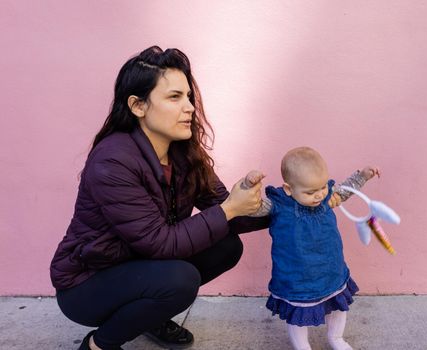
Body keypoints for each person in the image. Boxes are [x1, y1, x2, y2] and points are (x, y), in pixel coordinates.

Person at [49, 46, 270, 350]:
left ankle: (149, 316)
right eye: (174, 97)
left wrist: (298, 199)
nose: (190, 107)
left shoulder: (182, 152)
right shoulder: (111, 163)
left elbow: (228, 210)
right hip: (87, 283)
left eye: (189, 96)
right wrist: (230, 208)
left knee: (226, 245)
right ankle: (98, 344)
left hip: (140, 263)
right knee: (179, 279)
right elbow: (161, 242)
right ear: (138, 106)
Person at [242, 147, 380, 350]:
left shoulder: (326, 197)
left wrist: (363, 175)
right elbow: (252, 207)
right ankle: (302, 346)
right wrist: (248, 185)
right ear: (289, 189)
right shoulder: (279, 205)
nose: (319, 195)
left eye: (322, 187)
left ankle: (336, 337)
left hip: (329, 268)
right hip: (297, 275)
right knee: (298, 314)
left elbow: (345, 190)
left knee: (338, 306)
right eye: (310, 192)